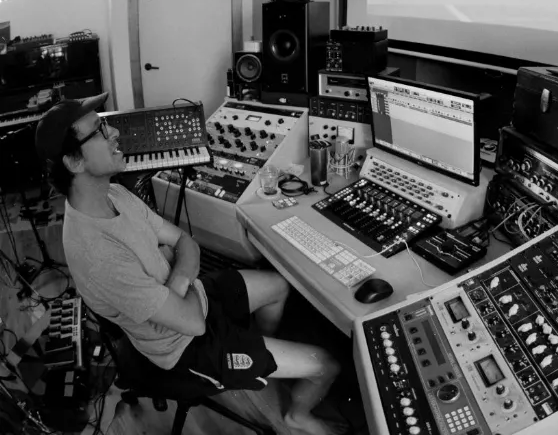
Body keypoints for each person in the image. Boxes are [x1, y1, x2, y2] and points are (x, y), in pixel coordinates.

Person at [35, 93, 343, 435]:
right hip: (182, 348)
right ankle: (295, 415)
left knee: (279, 287)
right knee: (324, 365)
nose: (115, 134)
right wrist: (183, 277)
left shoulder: (112, 194)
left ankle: (253, 353)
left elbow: (185, 240)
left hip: (190, 297)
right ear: (75, 163)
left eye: (106, 123)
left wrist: (179, 283)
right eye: (100, 131)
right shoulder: (97, 254)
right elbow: (193, 323)